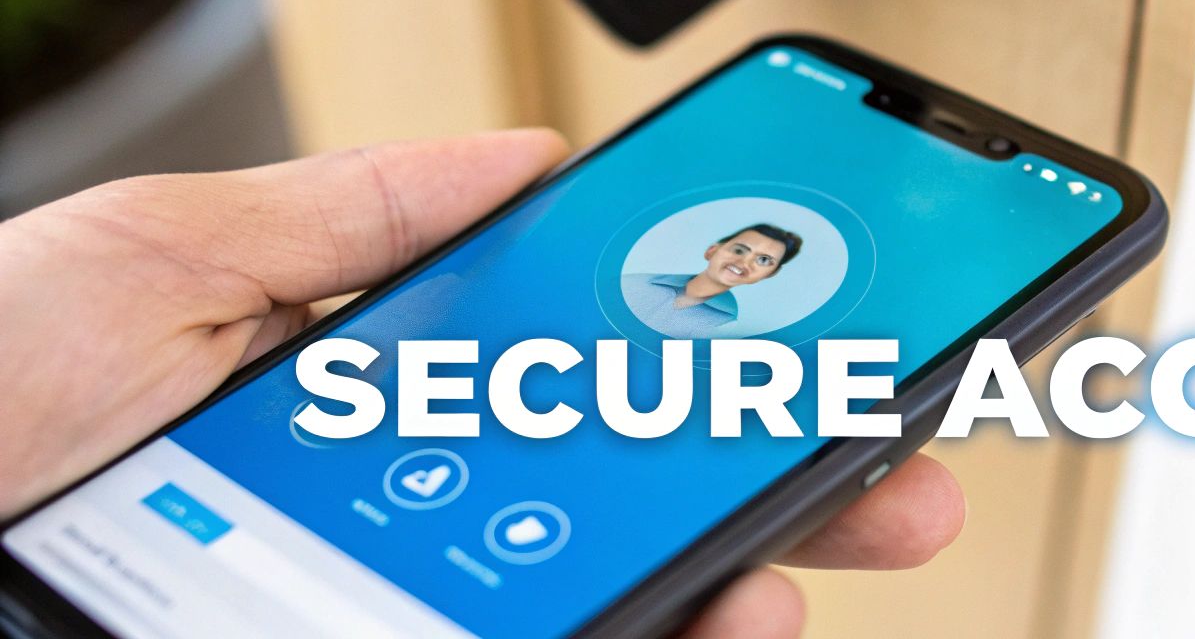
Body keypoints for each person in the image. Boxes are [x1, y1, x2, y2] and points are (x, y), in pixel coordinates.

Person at [0, 131, 964, 639]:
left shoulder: (731, 354)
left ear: (770, 282)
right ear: (718, 243)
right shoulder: (622, 285)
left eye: (762, 265)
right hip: (83, 562)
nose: (744, 264)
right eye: (742, 247)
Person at [623, 223, 803, 338]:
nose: (744, 262)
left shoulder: (724, 329)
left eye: (763, 260)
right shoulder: (629, 284)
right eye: (739, 250)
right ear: (712, 250)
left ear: (769, 274)